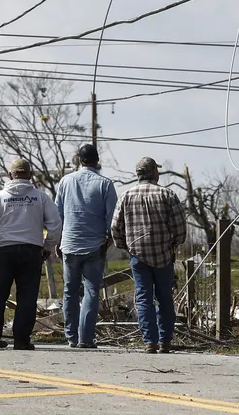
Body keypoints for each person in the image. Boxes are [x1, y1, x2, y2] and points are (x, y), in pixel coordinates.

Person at [0, 157, 61, 351]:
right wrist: (47, 247)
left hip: (5, 251)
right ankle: (21, 340)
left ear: (10, 175)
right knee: (27, 298)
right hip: (31, 251)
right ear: (30, 175)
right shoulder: (40, 197)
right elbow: (56, 225)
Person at [111, 156, 186, 354]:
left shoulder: (126, 196)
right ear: (154, 172)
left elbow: (115, 227)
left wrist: (125, 246)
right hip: (163, 254)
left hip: (138, 255)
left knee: (143, 298)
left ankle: (149, 341)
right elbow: (180, 227)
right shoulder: (167, 195)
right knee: (165, 298)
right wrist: (174, 244)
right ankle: (165, 340)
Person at [54, 143, 117, 348]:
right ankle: (86, 338)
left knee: (70, 291)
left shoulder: (65, 181)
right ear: (97, 160)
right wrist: (108, 239)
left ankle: (71, 336)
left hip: (69, 244)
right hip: (94, 245)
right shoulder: (105, 184)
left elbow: (58, 215)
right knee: (91, 291)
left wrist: (58, 239)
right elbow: (112, 219)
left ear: (79, 160)